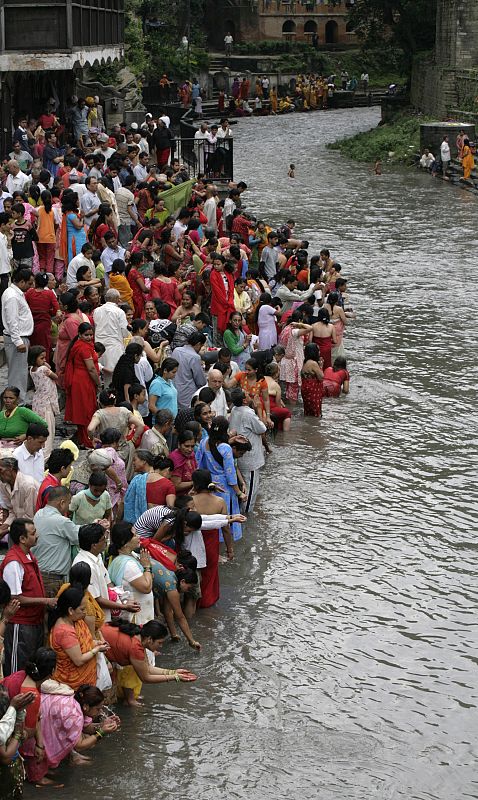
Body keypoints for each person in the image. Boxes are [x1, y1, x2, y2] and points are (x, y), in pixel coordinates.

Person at [0, 519, 55, 676]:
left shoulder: (28, 555)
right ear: (22, 539)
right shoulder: (14, 562)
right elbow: (15, 597)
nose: (37, 536)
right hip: (21, 623)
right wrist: (45, 601)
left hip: (34, 621)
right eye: (32, 533)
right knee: (18, 668)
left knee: (30, 664)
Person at [101, 618, 196, 706]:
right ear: (150, 639)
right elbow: (145, 678)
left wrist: (174, 672)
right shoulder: (135, 648)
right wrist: (175, 677)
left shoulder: (139, 636)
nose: (161, 646)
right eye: (160, 642)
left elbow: (147, 668)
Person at [48, 586, 107, 691]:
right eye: (82, 609)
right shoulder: (65, 632)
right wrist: (96, 650)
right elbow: (79, 660)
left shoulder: (75, 621)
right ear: (71, 610)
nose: (85, 612)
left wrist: (96, 643)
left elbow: (82, 644)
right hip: (72, 682)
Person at [190, 469, 235, 606]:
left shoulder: (190, 501)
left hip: (193, 540)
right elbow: (226, 528)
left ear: (194, 484)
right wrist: (230, 549)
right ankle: (207, 602)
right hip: (211, 542)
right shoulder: (220, 501)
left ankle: (193, 602)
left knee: (194, 570)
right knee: (210, 571)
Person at [196, 416, 244, 540]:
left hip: (209, 482)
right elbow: (230, 473)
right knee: (226, 515)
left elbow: (199, 464)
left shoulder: (203, 442)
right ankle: (225, 540)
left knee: (211, 513)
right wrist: (239, 493)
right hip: (224, 486)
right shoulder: (225, 448)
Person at [87, 389, 144, 480]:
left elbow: (90, 428)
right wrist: (134, 438)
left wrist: (92, 438)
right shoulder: (124, 411)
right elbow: (141, 425)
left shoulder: (100, 414)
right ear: (115, 400)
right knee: (124, 476)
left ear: (100, 402)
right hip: (124, 448)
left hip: (106, 451)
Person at [32, 486, 81, 593]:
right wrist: (95, 525)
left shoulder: (39, 514)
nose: (69, 507)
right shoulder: (61, 521)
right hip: (52, 579)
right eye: (68, 503)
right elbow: (80, 536)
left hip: (38, 573)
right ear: (62, 503)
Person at [108, 522, 155, 628]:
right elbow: (146, 587)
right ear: (125, 543)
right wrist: (147, 567)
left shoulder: (130, 556)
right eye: (134, 535)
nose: (139, 537)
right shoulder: (128, 564)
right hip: (136, 616)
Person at [228, 388, 267, 514]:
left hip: (240, 456)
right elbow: (262, 428)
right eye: (247, 394)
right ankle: (246, 518)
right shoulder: (249, 413)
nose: (250, 395)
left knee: (243, 486)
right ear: (245, 400)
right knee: (250, 491)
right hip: (250, 459)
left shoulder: (234, 409)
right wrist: (258, 408)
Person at [64, 322, 100, 448]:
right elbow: (91, 369)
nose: (90, 337)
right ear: (79, 334)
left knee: (83, 410)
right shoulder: (84, 348)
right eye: (86, 335)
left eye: (91, 334)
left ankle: (85, 439)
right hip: (83, 381)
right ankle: (87, 440)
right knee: (86, 411)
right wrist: (98, 383)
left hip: (80, 380)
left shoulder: (81, 345)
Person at [1, 268, 34, 403]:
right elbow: (12, 320)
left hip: (21, 338)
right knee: (17, 375)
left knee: (20, 373)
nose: (31, 286)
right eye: (29, 283)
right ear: (21, 282)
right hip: (17, 339)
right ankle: (16, 404)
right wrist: (18, 341)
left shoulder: (16, 293)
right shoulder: (12, 296)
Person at [28, 346, 59, 459]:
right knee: (48, 427)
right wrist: (46, 366)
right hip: (46, 402)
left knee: (40, 426)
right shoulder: (43, 369)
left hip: (38, 401)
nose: (44, 360)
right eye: (42, 358)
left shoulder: (31, 369)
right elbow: (55, 376)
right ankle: (46, 454)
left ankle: (42, 452)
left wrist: (44, 363)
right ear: (34, 358)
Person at [93, 288, 129, 378]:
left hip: (98, 347)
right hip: (114, 348)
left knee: (100, 375)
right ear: (117, 299)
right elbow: (124, 333)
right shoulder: (119, 312)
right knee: (113, 377)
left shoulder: (96, 311)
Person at [25, 272, 59, 363]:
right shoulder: (49, 294)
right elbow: (56, 309)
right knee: (44, 347)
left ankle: (32, 366)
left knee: (32, 346)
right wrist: (49, 313)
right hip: (44, 325)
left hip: (31, 324)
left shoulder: (29, 293)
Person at [0, 459, 39, 538]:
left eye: (1, 470)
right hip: (18, 526)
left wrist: (7, 529)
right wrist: (3, 526)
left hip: (32, 529)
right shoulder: (3, 484)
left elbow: (29, 517)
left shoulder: (28, 485)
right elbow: (12, 510)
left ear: (11, 468)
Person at [173, 332, 207, 409]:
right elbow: (200, 381)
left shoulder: (176, 350)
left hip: (174, 390)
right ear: (198, 344)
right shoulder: (195, 357)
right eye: (201, 346)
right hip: (187, 394)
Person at [264, 361, 292, 432]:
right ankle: (285, 434)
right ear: (276, 373)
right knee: (287, 412)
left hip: (260, 406)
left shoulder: (260, 380)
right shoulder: (276, 385)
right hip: (271, 408)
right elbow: (278, 404)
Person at [169, 430, 198, 496]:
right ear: (179, 444)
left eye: (192, 446)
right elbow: (176, 486)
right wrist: (194, 483)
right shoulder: (175, 459)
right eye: (187, 446)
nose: (190, 449)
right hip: (180, 499)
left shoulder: (191, 455)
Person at [300, 342, 324, 417]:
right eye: (318, 350)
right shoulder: (313, 363)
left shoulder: (305, 362)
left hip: (306, 389)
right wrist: (321, 366)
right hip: (312, 390)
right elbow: (321, 377)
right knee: (315, 411)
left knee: (308, 410)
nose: (319, 352)